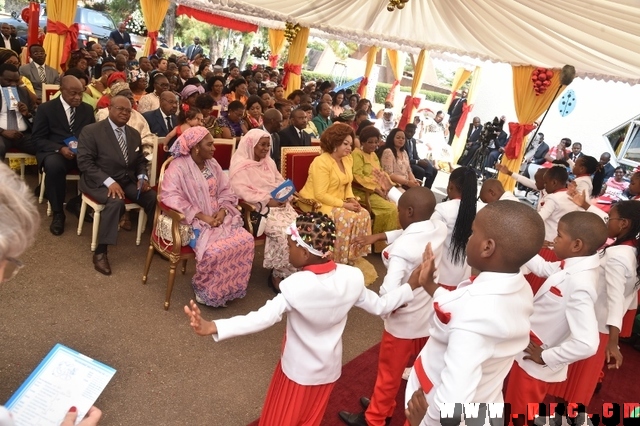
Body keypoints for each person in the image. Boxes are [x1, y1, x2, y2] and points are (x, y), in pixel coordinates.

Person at [184, 212, 426, 426]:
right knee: (310, 419)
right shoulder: (351, 277)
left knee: (282, 419)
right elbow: (381, 306)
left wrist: (213, 326)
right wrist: (410, 286)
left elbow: (261, 318)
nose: (288, 250)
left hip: (296, 372)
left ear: (304, 251)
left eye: (290, 246)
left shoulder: (295, 285)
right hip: (328, 372)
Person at [403, 200, 544, 426]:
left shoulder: (475, 316)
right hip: (484, 404)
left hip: (439, 413)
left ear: (487, 247)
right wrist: (429, 285)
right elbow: (459, 306)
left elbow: (453, 398)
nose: (468, 238)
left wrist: (425, 423)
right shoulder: (519, 286)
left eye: (472, 233)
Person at [339, 188, 447, 426]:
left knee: (388, 374)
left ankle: (375, 418)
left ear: (408, 212)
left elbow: (386, 297)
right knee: (407, 371)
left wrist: (386, 307)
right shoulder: (438, 226)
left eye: (399, 210)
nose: (397, 213)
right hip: (425, 316)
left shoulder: (402, 250)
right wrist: (389, 194)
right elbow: (411, 224)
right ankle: (383, 404)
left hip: (403, 322)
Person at [504, 211, 607, 422]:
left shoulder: (581, 283)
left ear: (577, 245)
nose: (555, 239)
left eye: (559, 235)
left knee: (518, 415)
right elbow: (543, 268)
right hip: (525, 351)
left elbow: (588, 343)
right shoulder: (574, 264)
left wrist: (545, 356)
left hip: (534, 361)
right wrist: (524, 243)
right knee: (510, 406)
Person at [548, 200, 640, 407]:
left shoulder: (618, 255)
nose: (607, 222)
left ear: (624, 223)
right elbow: (629, 297)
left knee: (575, 382)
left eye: (610, 218)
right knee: (576, 383)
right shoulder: (630, 250)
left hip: (595, 323)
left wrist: (613, 340)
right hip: (599, 324)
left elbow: (616, 298)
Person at [161, 126, 254, 306]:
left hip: (219, 218)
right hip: (192, 222)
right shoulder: (178, 167)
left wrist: (222, 211)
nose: (214, 148)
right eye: (209, 145)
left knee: (246, 240)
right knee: (215, 250)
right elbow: (170, 196)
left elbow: (225, 190)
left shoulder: (212, 164)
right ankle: (205, 291)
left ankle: (226, 289)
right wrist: (203, 217)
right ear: (196, 147)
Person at [77, 96, 156, 275]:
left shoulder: (134, 134)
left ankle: (156, 242)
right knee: (115, 201)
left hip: (126, 179)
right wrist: (109, 181)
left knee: (151, 197)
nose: (124, 113)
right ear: (110, 108)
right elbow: (85, 163)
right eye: (120, 109)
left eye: (128, 110)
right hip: (97, 182)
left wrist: (141, 176)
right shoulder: (91, 131)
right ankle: (100, 252)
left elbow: (140, 161)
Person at [229, 129, 298, 292]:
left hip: (280, 206)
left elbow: (280, 181)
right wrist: (268, 200)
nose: (266, 148)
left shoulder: (269, 162)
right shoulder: (240, 167)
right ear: (251, 144)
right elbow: (241, 192)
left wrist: (284, 195)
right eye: (262, 144)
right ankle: (278, 275)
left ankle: (294, 272)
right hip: (261, 210)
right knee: (285, 233)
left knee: (300, 229)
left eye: (268, 145)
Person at [299, 123, 372, 266]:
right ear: (334, 141)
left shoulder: (347, 159)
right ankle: (336, 259)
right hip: (316, 202)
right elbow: (320, 194)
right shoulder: (321, 161)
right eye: (345, 143)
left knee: (363, 214)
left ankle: (350, 256)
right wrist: (346, 205)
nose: (349, 148)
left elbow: (348, 184)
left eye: (350, 144)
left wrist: (351, 198)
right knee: (347, 218)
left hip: (339, 200)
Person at [33, 76, 96, 235]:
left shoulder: (87, 109)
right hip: (56, 152)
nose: (77, 97)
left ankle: (78, 202)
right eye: (73, 93)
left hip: (81, 153)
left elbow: (92, 136)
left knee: (100, 165)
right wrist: (59, 148)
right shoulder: (46, 109)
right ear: (61, 90)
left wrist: (85, 150)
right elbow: (37, 139)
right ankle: (58, 213)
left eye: (80, 93)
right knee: (54, 166)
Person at [526, 166, 580, 293]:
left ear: (554, 182)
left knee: (534, 279)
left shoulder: (553, 198)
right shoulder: (570, 196)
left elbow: (538, 219)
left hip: (544, 245)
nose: (544, 186)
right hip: (558, 245)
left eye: (546, 183)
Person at [430, 166, 480, 289]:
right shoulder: (482, 210)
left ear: (450, 186)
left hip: (440, 279)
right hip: (464, 281)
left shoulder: (443, 209)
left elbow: (428, 239)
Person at [351, 126, 400, 242]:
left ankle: (392, 241)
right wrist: (376, 189)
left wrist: (387, 187)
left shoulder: (373, 155)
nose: (374, 145)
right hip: (362, 191)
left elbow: (381, 173)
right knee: (390, 208)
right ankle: (380, 243)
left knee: (399, 204)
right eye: (370, 142)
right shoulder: (357, 154)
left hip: (378, 189)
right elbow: (357, 177)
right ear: (362, 142)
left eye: (376, 142)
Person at [0, 64, 36, 161]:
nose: (13, 84)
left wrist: (27, 114)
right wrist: (3, 131)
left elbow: (34, 118)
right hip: (1, 135)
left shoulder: (23, 92)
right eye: (8, 80)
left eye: (16, 81)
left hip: (23, 135)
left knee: (45, 146)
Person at [404, 123, 436, 188]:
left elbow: (415, 155)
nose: (409, 133)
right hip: (407, 163)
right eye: (408, 131)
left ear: (414, 132)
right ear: (405, 130)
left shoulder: (413, 141)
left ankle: (426, 188)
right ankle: (417, 189)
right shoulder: (402, 140)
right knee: (420, 171)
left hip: (414, 161)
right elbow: (405, 158)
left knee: (434, 170)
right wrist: (417, 162)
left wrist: (419, 160)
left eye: (412, 132)